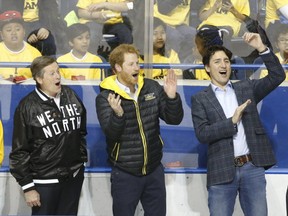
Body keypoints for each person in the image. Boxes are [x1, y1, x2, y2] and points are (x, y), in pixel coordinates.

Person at [191, 32, 285, 216]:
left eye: (226, 61)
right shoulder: (200, 99)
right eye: (217, 61)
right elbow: (202, 133)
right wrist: (231, 122)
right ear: (207, 68)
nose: (223, 65)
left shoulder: (246, 88)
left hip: (252, 168)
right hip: (221, 170)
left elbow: (277, 76)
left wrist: (261, 48)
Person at [96, 44, 183, 216]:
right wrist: (118, 115)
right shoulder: (106, 97)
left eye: (138, 63)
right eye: (131, 64)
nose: (137, 67)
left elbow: (174, 119)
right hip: (125, 173)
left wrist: (172, 97)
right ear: (118, 68)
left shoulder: (151, 87)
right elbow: (111, 133)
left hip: (154, 170)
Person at [9, 56, 88, 215]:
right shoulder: (27, 107)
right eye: (52, 73)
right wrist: (28, 186)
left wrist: (79, 165)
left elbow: (81, 132)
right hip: (44, 182)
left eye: (58, 71)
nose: (58, 76)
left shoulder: (70, 95)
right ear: (39, 78)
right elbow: (19, 151)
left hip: (72, 178)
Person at [1, 0, 69, 56]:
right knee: (14, 34)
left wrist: (46, 27)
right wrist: (27, 33)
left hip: (41, 24)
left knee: (49, 40)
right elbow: (10, 17)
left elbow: (52, 12)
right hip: (20, 23)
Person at [0, 10, 42, 81]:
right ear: (1, 35)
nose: (13, 33)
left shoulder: (35, 54)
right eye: (9, 30)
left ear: (24, 32)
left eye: (17, 29)